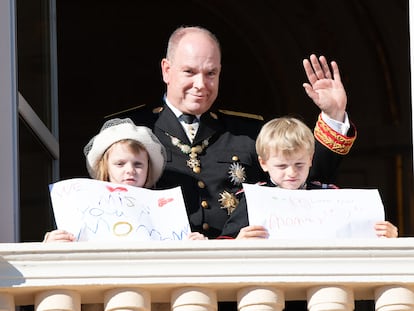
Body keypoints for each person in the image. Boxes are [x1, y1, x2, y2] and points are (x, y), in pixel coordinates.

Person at [109, 25, 357, 240]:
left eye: (210, 73)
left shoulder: (248, 133)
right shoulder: (130, 130)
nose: (201, 84)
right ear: (166, 70)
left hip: (240, 275)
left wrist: (334, 115)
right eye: (189, 72)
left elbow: (304, 180)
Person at [219, 116, 398, 239]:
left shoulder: (329, 195)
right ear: (263, 163)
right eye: (281, 166)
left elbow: (359, 234)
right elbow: (225, 240)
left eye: (299, 165)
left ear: (310, 159)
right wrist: (238, 242)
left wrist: (387, 235)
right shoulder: (253, 199)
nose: (291, 173)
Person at [43, 117, 206, 242]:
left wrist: (194, 245)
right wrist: (52, 244)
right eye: (120, 164)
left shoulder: (166, 211)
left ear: (149, 168)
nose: (130, 170)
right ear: (105, 168)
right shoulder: (82, 206)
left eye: (138, 164)